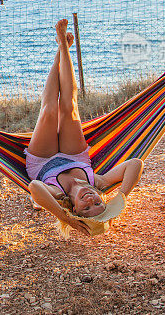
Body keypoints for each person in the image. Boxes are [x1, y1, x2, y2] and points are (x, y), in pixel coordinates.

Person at [26, 19, 144, 236]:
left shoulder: (57, 194)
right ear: (102, 199)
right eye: (98, 204)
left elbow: (34, 188)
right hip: (75, 156)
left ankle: (61, 48)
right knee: (69, 106)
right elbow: (135, 164)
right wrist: (122, 198)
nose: (91, 200)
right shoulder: (98, 182)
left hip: (42, 160)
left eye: (86, 209)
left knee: (50, 110)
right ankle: (63, 46)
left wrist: (63, 217)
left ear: (75, 209)